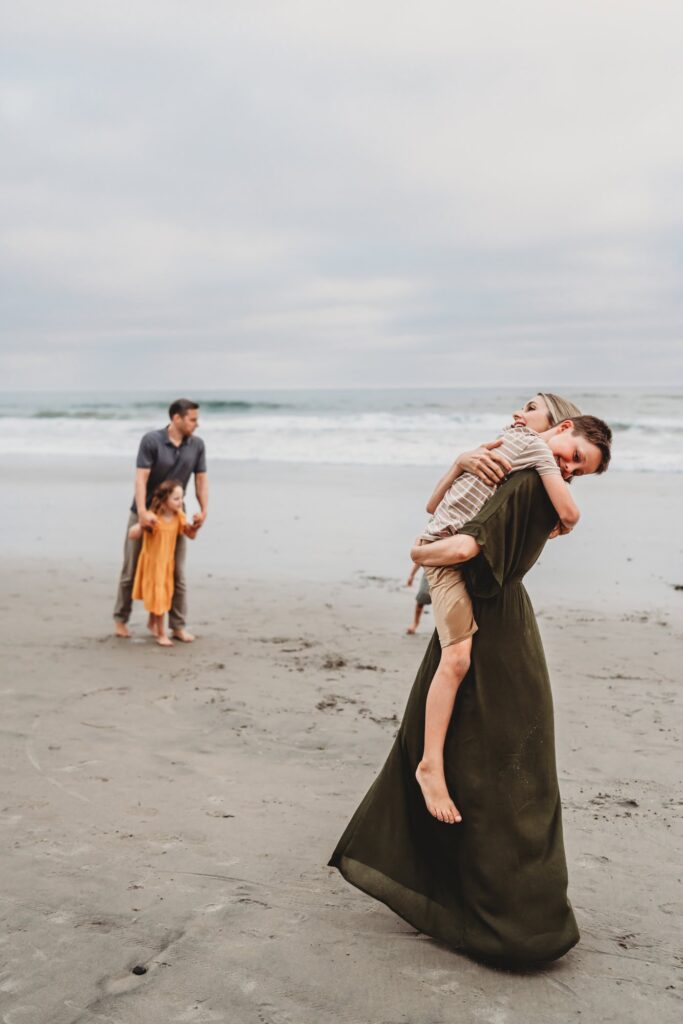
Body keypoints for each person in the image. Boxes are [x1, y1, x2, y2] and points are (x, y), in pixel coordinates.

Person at [413, 399, 612, 824]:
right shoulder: (535, 450)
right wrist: (420, 551)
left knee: (457, 660)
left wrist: (458, 465)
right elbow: (570, 515)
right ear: (564, 428)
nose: (569, 470)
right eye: (575, 458)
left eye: (578, 472)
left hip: (450, 548)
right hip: (445, 555)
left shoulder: (520, 453)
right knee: (457, 659)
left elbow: (435, 507)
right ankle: (429, 764)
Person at [113, 398, 208, 642]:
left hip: (175, 517)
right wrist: (143, 513)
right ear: (176, 418)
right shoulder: (152, 441)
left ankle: (177, 626)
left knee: (177, 573)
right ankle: (121, 620)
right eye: (193, 419)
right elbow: (141, 479)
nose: (197, 424)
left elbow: (200, 480)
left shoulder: (197, 445)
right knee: (132, 569)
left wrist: (203, 510)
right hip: (145, 512)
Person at [129, 480, 199, 646]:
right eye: (176, 498)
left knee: (163, 595)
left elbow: (190, 535)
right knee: (159, 597)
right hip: (153, 564)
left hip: (167, 564)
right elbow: (132, 535)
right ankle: (161, 634)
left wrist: (195, 527)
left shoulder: (179, 516)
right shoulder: (154, 517)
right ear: (165, 499)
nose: (180, 502)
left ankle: (151, 623)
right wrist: (141, 523)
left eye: (181, 498)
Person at [405, 562, 431, 635]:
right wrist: (411, 575)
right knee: (421, 599)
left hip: (446, 574)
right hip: (428, 573)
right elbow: (419, 560)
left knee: (442, 604)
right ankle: (415, 623)